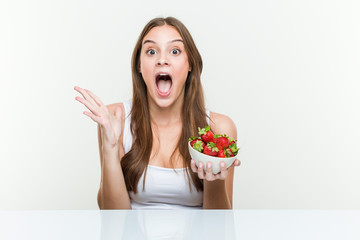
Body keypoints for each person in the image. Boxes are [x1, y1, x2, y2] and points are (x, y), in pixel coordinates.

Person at [74, 17, 241, 209]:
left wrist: (215, 180)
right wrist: (110, 149)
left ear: (190, 64)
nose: (162, 60)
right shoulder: (115, 117)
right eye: (151, 51)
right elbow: (112, 216)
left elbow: (219, 228)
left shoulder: (219, 127)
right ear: (139, 65)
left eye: (175, 51)